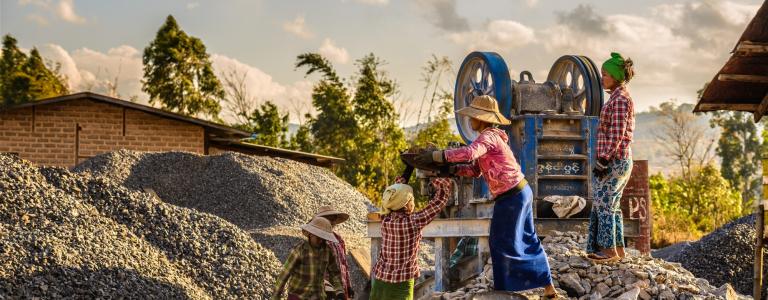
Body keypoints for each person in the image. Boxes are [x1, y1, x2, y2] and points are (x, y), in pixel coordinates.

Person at [415, 95, 559, 298]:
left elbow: (469, 153)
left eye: (473, 116)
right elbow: (475, 170)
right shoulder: (494, 138)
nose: (470, 120)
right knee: (529, 239)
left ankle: (503, 291)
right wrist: (450, 170)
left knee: (499, 242)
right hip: (521, 191)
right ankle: (548, 289)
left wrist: (437, 156)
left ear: (481, 119)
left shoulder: (488, 137)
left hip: (511, 196)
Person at [586, 52, 636, 263]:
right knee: (612, 206)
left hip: (614, 161)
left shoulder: (620, 101)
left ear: (615, 77)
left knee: (604, 203)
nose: (602, 78)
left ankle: (607, 251)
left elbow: (617, 133)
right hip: (617, 159)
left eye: (605, 74)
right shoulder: (617, 98)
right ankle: (618, 251)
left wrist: (603, 159)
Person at [370, 178, 452, 300]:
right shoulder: (413, 221)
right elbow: (438, 202)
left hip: (380, 281)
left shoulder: (385, 219)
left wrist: (400, 183)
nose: (413, 202)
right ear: (407, 204)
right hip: (402, 284)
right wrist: (440, 182)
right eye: (412, 199)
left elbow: (392, 197)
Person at [272, 217, 345, 300]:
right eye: (318, 238)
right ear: (310, 235)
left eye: (324, 239)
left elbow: (334, 273)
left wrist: (339, 291)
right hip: (298, 296)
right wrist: (275, 296)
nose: (321, 241)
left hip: (318, 296)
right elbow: (284, 275)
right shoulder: (300, 250)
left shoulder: (328, 251)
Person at [314, 206, 354, 299]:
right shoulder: (318, 239)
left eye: (333, 218)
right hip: (326, 289)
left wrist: (349, 286)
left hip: (341, 287)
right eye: (329, 218)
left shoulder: (339, 239)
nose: (332, 221)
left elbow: (344, 264)